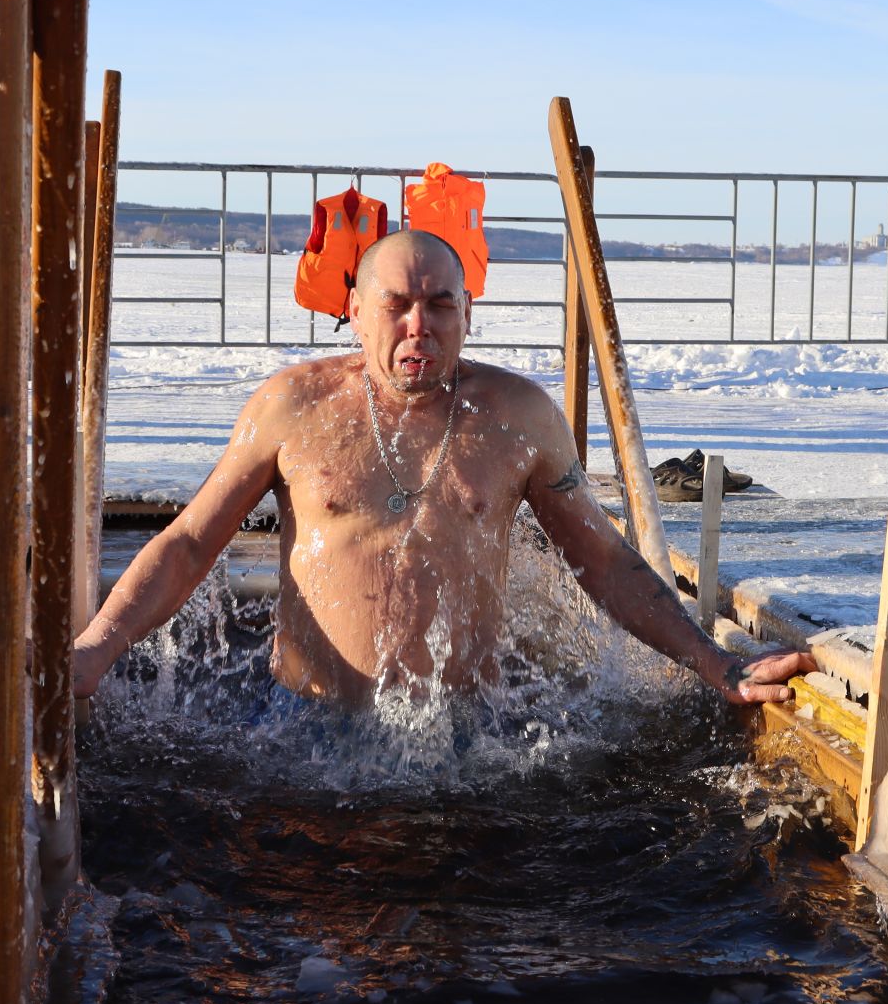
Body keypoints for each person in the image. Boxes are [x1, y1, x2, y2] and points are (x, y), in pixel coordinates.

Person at [71, 230, 814, 710]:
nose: (418, 325)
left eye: (440, 305)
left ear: (468, 314)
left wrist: (717, 665)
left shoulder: (517, 417)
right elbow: (191, 545)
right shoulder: (293, 408)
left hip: (464, 736)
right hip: (305, 729)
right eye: (396, 305)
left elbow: (604, 560)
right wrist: (97, 649)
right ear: (356, 312)